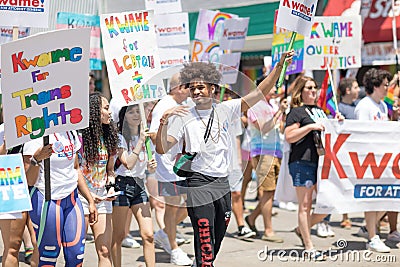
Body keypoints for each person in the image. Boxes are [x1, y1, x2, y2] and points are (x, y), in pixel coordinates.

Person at [156, 51, 294, 266]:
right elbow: (163, 148)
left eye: (201, 87)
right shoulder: (183, 115)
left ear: (212, 88)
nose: (196, 91)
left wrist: (278, 68)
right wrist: (164, 122)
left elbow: (258, 93)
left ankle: (203, 262)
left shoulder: (226, 109)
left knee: (217, 237)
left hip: (222, 183)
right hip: (198, 183)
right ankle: (203, 263)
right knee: (204, 239)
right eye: (192, 88)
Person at [285, 76, 343, 260]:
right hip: (302, 161)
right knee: (305, 205)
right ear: (301, 92)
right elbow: (289, 136)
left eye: (314, 87)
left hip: (321, 163)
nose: (313, 90)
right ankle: (309, 247)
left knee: (328, 204)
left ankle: (301, 229)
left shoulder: (320, 111)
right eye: (308, 88)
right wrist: (309, 127)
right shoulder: (296, 112)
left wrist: (337, 121)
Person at [23, 129, 98, 266]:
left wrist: (90, 200)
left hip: (71, 198)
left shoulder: (70, 132)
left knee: (76, 255)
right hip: (47, 199)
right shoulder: (35, 135)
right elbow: (29, 181)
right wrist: (36, 159)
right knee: (48, 255)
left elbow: (75, 169)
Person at [149, 73, 193, 266]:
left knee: (188, 205)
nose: (192, 90)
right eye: (189, 86)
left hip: (184, 163)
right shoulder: (164, 106)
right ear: (178, 88)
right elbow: (153, 134)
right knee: (173, 205)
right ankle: (174, 248)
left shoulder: (185, 104)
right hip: (169, 165)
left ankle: (165, 233)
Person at [354, 68, 399, 252]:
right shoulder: (364, 106)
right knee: (372, 199)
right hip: (369, 160)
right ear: (375, 86)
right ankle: (372, 237)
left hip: (383, 158)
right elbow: (362, 134)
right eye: (385, 85)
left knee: (386, 198)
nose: (387, 89)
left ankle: (369, 228)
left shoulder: (381, 106)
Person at [111, 104, 157, 267]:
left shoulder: (145, 136)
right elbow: (128, 163)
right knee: (118, 235)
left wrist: (151, 166)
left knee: (148, 235)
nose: (136, 115)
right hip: (121, 186)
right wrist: (141, 142)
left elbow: (146, 167)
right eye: (131, 112)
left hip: (140, 185)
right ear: (124, 116)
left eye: (139, 111)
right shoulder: (119, 137)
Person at [79, 92, 119, 266]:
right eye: (106, 108)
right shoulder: (80, 139)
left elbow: (110, 170)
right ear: (95, 112)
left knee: (104, 250)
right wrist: (89, 198)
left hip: (102, 198)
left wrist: (111, 187)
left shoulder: (109, 137)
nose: (110, 112)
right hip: (81, 198)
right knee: (76, 252)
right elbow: (75, 172)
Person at [245, 87, 288, 243]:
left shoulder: (272, 105)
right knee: (267, 192)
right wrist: (279, 113)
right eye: (271, 87)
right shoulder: (254, 106)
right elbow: (264, 127)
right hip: (262, 153)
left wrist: (282, 114)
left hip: (276, 152)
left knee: (271, 193)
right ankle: (268, 230)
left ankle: (252, 218)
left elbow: (279, 128)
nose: (275, 90)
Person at [215, 87, 256, 240]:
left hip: (233, 162)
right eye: (223, 93)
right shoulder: (212, 114)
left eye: (229, 94)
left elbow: (237, 138)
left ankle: (241, 226)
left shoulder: (234, 115)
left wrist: (238, 160)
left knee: (237, 193)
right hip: (217, 164)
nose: (226, 97)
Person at [337, 77, 360, 229]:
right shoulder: (338, 108)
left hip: (358, 150)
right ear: (347, 90)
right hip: (345, 152)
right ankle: (345, 216)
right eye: (356, 87)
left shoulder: (359, 105)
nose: (359, 90)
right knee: (344, 184)